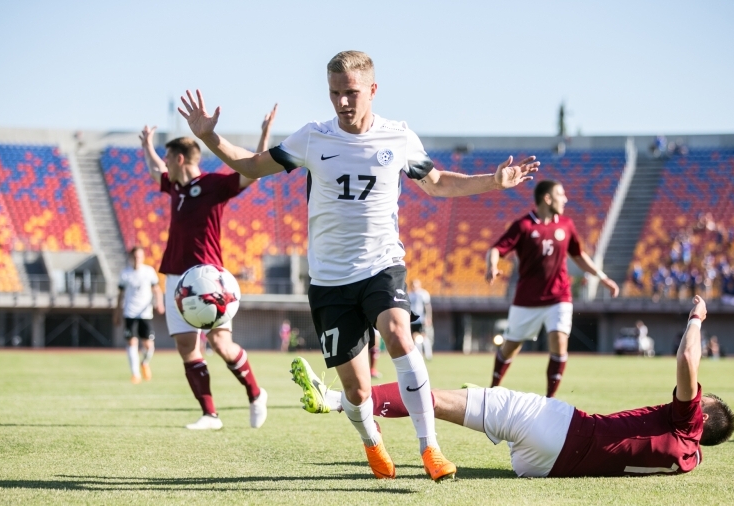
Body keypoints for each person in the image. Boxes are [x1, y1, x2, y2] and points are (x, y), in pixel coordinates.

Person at [177, 50, 539, 481]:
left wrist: (494, 181)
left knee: (400, 336)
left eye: (351, 93)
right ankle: (372, 442)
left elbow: (437, 183)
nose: (342, 103)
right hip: (329, 280)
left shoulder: (398, 137)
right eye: (334, 94)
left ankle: (431, 450)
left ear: (372, 89)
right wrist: (209, 139)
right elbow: (252, 166)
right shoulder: (313, 137)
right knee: (356, 388)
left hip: (381, 265)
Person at [295, 296, 734, 478]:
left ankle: (336, 399)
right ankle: (344, 400)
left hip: (562, 428)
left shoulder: (688, 422)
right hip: (544, 467)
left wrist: (696, 318)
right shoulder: (689, 459)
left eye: (701, 396)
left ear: (704, 415)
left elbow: (687, 359)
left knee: (434, 397)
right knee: (456, 400)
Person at [139, 104, 278, 430]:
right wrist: (146, 144)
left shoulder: (213, 184)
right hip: (175, 277)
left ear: (179, 159)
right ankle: (210, 414)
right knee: (187, 348)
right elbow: (152, 169)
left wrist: (264, 133)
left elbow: (252, 171)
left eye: (166, 158)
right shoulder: (176, 187)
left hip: (209, 280)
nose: (164, 166)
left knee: (221, 345)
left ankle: (256, 394)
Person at [484, 180, 620, 397]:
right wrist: (492, 266)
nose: (565, 199)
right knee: (510, 347)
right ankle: (492, 390)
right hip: (527, 299)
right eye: (560, 194)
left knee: (559, 341)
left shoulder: (566, 224)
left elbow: (579, 255)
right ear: (547, 199)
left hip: (559, 297)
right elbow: (495, 249)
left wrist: (602, 277)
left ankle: (550, 401)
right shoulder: (524, 226)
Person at [114, 246, 164, 383]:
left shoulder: (149, 272)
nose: (137, 259)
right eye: (135, 257)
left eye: (139, 257)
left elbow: (157, 290)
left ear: (143, 257)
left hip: (145, 313)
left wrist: (159, 304)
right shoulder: (125, 273)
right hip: (130, 312)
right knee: (131, 342)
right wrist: (117, 312)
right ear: (131, 258)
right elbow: (120, 294)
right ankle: (135, 374)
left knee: (148, 345)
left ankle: (145, 363)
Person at [408, 279, 433, 360]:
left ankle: (428, 354)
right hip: (413, 319)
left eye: (415, 285)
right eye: (412, 285)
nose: (414, 287)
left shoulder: (423, 294)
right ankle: (419, 354)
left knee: (423, 336)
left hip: (421, 319)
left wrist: (428, 317)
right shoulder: (409, 295)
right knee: (415, 337)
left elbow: (427, 307)